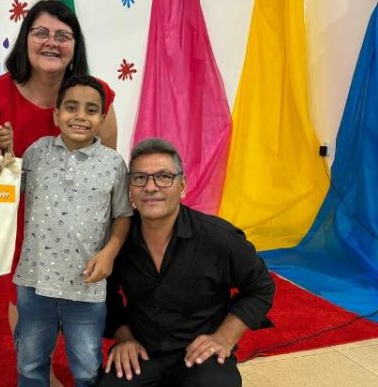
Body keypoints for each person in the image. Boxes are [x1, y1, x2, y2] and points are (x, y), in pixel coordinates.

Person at [0, 0, 118, 386]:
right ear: (25, 39)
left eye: (63, 36)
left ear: (75, 46)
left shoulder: (96, 95)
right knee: (26, 296)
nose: (52, 42)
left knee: (80, 301)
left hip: (81, 221)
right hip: (23, 218)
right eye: (41, 33)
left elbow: (108, 170)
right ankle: (39, 371)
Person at [96, 138, 275, 387]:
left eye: (164, 177)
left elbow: (261, 287)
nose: (151, 187)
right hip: (142, 351)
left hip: (200, 354)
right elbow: (105, 293)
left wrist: (224, 337)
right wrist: (124, 337)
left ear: (182, 186)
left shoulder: (218, 237)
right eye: (140, 178)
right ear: (130, 189)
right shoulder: (117, 240)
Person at [8, 74, 133, 386]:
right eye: (71, 107)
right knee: (30, 362)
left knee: (87, 367)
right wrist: (5, 154)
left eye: (91, 110)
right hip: (35, 281)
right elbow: (8, 190)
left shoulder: (113, 164)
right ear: (56, 114)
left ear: (102, 118)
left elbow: (123, 215)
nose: (80, 116)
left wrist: (110, 252)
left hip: (87, 285)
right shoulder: (36, 152)